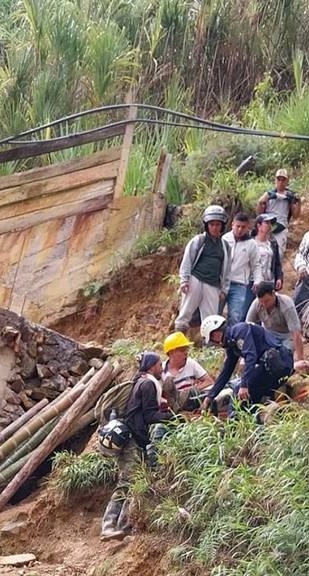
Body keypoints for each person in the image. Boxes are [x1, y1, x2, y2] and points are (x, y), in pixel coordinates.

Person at [100, 352, 172, 541]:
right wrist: (172, 418)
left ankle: (124, 526)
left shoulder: (139, 381)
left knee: (133, 484)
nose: (161, 368)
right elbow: (149, 416)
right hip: (132, 441)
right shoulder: (148, 384)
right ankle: (108, 525)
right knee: (126, 482)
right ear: (151, 366)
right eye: (158, 365)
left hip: (132, 439)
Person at [199, 315, 294, 416]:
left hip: (279, 364)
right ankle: (258, 424)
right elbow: (226, 371)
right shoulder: (232, 343)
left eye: (213, 340)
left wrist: (244, 385)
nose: (216, 344)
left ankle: (233, 427)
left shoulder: (240, 331)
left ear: (215, 334)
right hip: (272, 367)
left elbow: (250, 356)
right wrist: (210, 396)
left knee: (238, 392)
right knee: (251, 396)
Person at [174, 205, 232, 333]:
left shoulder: (225, 246)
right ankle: (179, 338)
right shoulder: (199, 240)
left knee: (211, 318)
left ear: (222, 226)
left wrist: (224, 289)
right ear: (207, 225)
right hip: (196, 279)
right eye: (212, 224)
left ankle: (209, 346)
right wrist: (184, 280)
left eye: (218, 224)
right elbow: (187, 260)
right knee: (186, 311)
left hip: (213, 284)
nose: (215, 228)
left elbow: (227, 270)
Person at [246, 282, 308, 370]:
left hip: (286, 336)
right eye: (261, 302)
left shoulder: (286, 304)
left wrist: (300, 359)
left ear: (273, 294)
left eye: (267, 301)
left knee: (285, 359)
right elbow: (247, 327)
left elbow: (296, 333)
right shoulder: (256, 304)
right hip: (268, 335)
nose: (264, 304)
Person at [161, 332, 213, 413]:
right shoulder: (161, 370)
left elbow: (209, 381)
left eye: (186, 349)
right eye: (182, 350)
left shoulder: (191, 364)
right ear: (171, 353)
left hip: (192, 405)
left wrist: (191, 392)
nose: (186, 353)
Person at [222, 212, 258, 325]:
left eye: (243, 227)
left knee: (235, 316)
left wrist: (257, 281)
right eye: (237, 226)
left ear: (248, 227)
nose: (240, 229)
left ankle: (232, 340)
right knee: (215, 313)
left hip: (239, 284)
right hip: (221, 282)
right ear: (232, 224)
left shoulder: (252, 244)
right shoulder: (224, 239)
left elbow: (256, 265)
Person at [257, 168, 301, 259]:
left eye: (283, 180)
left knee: (279, 255)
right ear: (275, 180)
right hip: (268, 225)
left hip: (281, 227)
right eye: (279, 179)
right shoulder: (269, 194)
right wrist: (261, 203)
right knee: (262, 253)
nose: (280, 182)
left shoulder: (290, 196)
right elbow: (259, 212)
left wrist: (299, 203)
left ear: (287, 181)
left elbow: (296, 215)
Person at [252, 213, 283, 292]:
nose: (269, 226)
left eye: (270, 223)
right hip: (253, 282)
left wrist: (279, 278)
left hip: (269, 282)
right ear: (259, 226)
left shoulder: (273, 243)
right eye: (266, 223)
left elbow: (277, 263)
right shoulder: (251, 243)